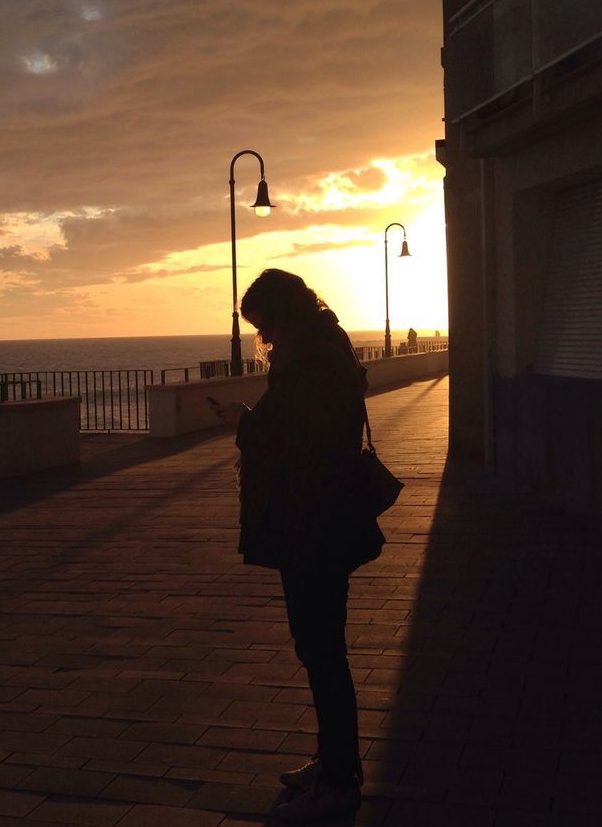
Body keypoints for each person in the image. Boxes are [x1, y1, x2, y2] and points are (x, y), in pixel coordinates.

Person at [214, 269, 383, 822]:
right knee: (318, 647)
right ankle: (333, 759)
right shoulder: (322, 349)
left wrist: (244, 421)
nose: (264, 335)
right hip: (316, 519)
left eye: (264, 324)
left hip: (314, 522)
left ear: (282, 313)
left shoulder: (311, 360)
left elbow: (299, 440)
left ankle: (338, 783)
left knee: (322, 649)